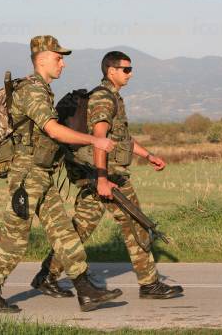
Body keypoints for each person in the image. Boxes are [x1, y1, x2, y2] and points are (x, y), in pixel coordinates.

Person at [0, 36, 123, 313]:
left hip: (39, 172)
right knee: (15, 235)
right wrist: (94, 141)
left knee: (63, 231)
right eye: (59, 58)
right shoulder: (32, 90)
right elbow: (52, 130)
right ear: (42, 58)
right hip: (27, 175)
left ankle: (85, 290)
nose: (63, 64)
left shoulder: (42, 89)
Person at [31, 51, 184, 300]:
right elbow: (100, 140)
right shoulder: (104, 98)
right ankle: (150, 284)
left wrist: (148, 155)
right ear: (110, 71)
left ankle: (46, 276)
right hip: (108, 177)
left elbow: (121, 139)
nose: (130, 73)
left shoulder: (112, 97)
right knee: (136, 224)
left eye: (130, 69)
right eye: (126, 69)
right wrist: (102, 179)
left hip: (100, 175)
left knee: (80, 228)